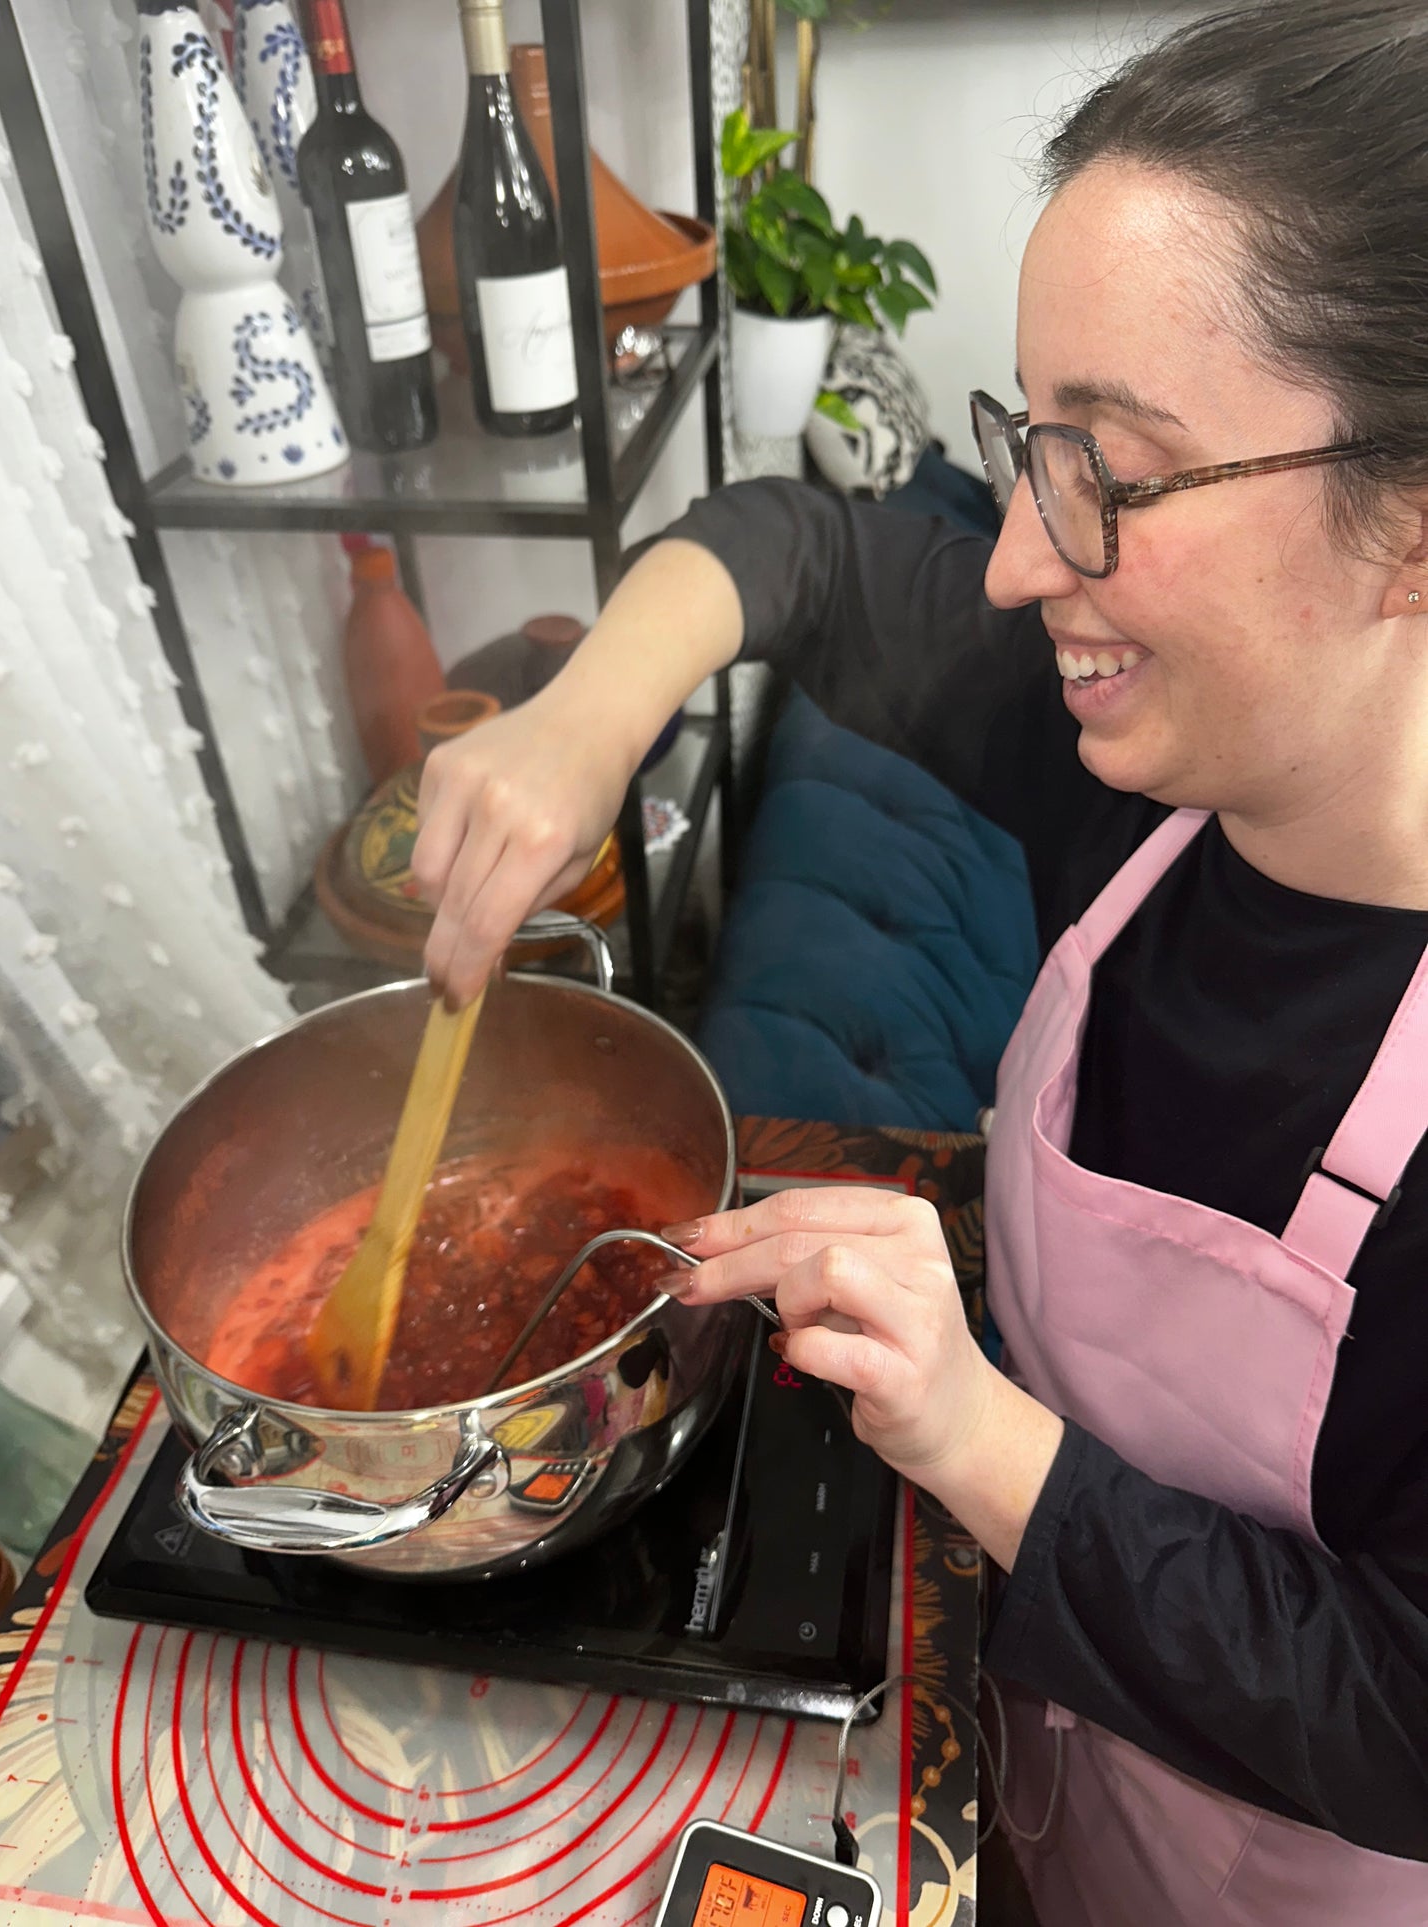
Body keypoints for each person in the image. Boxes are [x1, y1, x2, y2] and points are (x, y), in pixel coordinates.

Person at [412, 2, 1428, 1918]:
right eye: (1025, 447)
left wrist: (973, 1427)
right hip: (1014, 1769)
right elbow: (797, 550)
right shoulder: (1143, 762)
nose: (1014, 566)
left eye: (1107, 475)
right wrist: (583, 721)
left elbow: (1398, 1714)